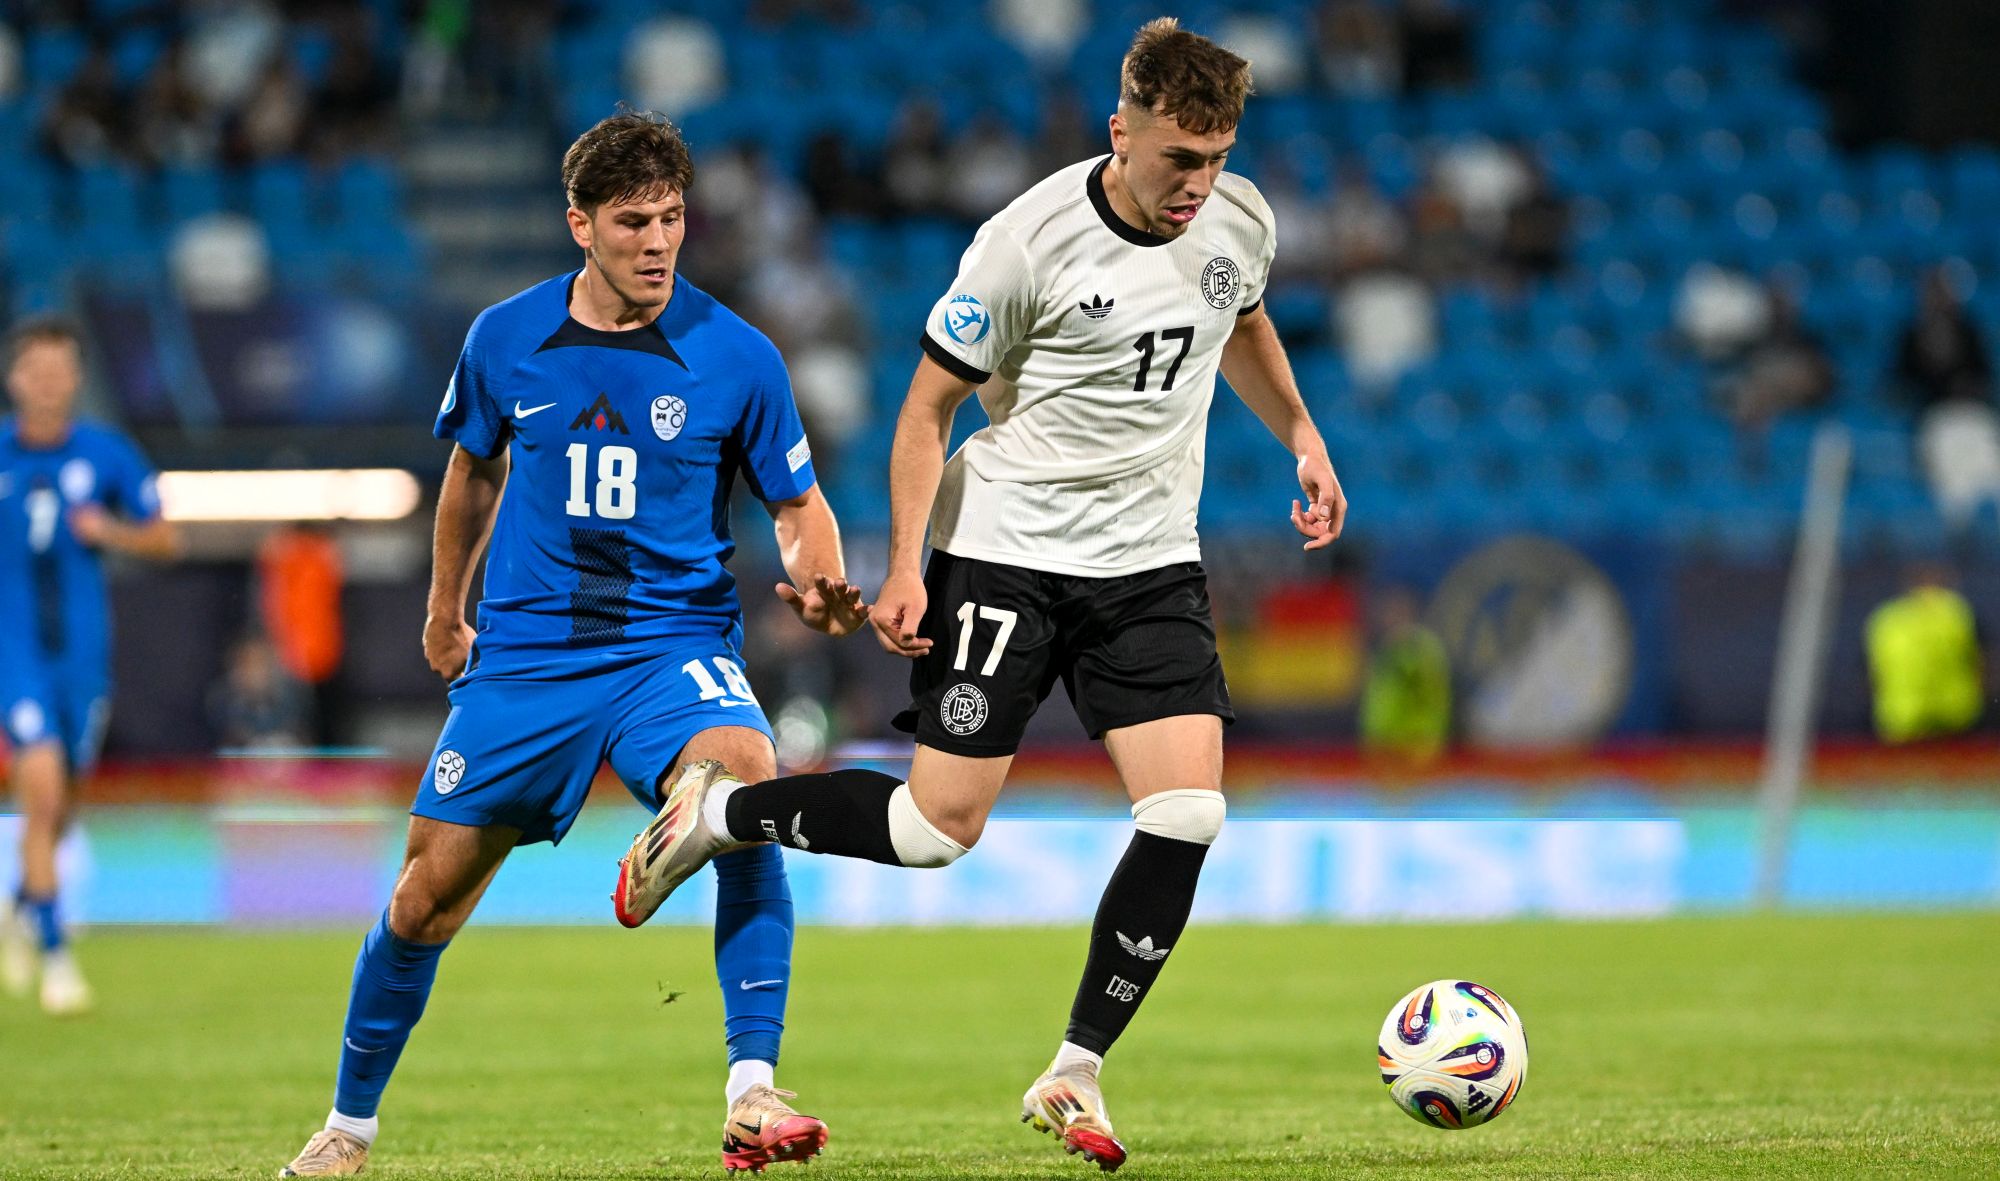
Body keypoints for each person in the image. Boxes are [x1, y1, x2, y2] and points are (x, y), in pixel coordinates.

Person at [611, 20, 1346, 1173]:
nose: (1196, 186)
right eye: (1176, 160)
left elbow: (1240, 320)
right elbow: (924, 408)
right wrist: (907, 562)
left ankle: (1074, 1068)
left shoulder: (1236, 221)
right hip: (1007, 552)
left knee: (1187, 813)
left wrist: (1300, 433)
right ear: (1120, 131)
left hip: (1149, 563)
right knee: (931, 830)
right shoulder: (1024, 242)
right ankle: (719, 816)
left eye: (1214, 160)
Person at [278, 111, 870, 1177]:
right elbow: (471, 473)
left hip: (668, 643)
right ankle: (346, 1129)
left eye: (673, 218)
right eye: (634, 222)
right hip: (527, 658)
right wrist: (444, 608)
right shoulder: (504, 337)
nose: (659, 241)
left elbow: (797, 502)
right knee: (423, 898)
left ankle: (752, 1088)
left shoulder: (737, 354)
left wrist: (820, 580)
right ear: (580, 225)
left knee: (745, 783)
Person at [0, 320, 178, 1015]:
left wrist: (110, 531)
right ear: (15, 379)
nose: (48, 383)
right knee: (43, 796)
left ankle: (21, 905)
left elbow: (166, 538)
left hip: (82, 658)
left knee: (63, 810)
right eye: (35, 370)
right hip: (15, 657)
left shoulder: (107, 453)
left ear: (75, 378)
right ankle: (56, 960)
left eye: (60, 370)